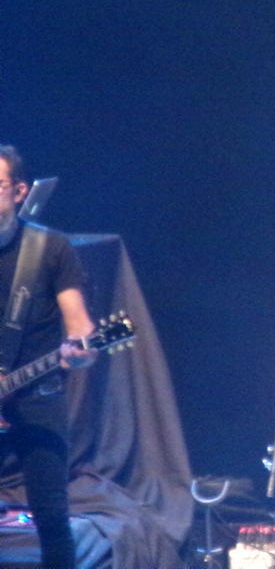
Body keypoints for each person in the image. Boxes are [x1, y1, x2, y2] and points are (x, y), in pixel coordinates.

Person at [0, 145, 98, 569]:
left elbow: (80, 327)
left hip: (36, 393)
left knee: (52, 516)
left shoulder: (50, 248)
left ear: (19, 191)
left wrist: (81, 350)